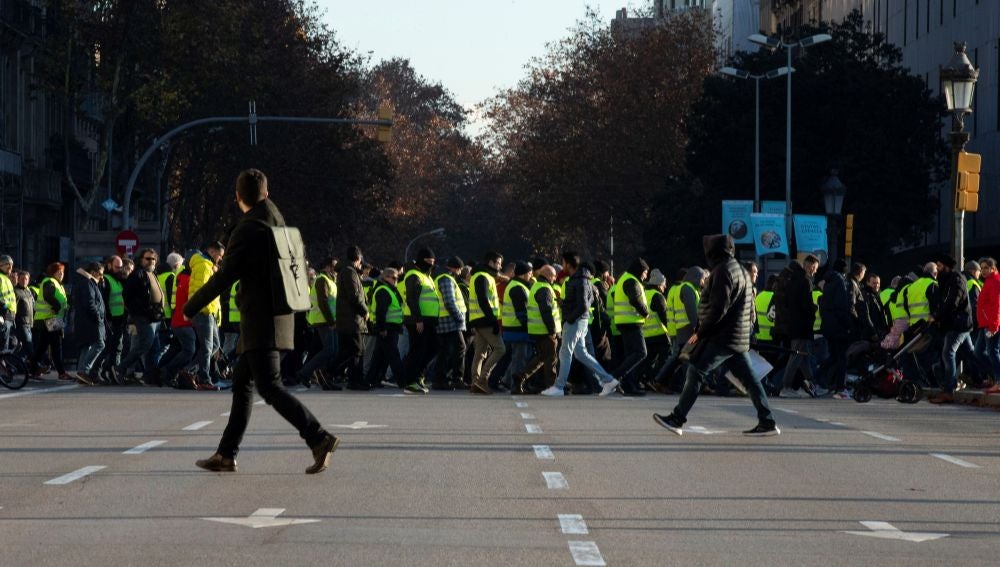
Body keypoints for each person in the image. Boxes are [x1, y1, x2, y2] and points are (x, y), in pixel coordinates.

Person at [186, 168, 338, 474]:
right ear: (266, 194)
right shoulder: (279, 224)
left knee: (269, 387)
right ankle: (226, 453)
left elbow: (225, 277)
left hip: (260, 321)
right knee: (242, 383)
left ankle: (318, 437)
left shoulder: (248, 229)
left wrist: (190, 307)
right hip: (281, 318)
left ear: (238, 197)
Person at [653, 235, 779, 437]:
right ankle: (767, 421)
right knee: (750, 380)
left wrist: (701, 332)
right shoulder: (739, 270)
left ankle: (677, 418)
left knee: (696, 371)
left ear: (714, 252)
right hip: (737, 336)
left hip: (723, 336)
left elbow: (718, 308)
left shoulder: (723, 271)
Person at [540, 253, 618, 397]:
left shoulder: (580, 280)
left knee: (565, 353)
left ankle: (559, 387)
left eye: (563, 262)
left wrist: (569, 318)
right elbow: (582, 302)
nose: (562, 266)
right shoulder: (583, 279)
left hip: (576, 321)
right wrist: (564, 304)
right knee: (582, 354)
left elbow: (583, 305)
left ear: (568, 264)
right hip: (580, 321)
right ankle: (609, 380)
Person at [652, 266, 706, 393]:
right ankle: (688, 386)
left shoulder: (684, 288)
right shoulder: (688, 289)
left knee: (679, 357)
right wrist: (697, 329)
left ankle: (660, 380)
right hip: (688, 329)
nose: (703, 281)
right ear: (696, 277)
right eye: (703, 278)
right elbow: (692, 312)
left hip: (681, 329)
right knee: (686, 358)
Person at [928, 254, 973, 404]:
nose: (937, 269)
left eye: (939, 266)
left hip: (959, 324)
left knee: (948, 353)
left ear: (946, 267)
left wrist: (936, 316)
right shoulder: (945, 280)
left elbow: (952, 302)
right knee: (972, 354)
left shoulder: (956, 279)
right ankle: (989, 376)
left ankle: (949, 391)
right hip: (954, 323)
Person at [772, 256, 819, 398]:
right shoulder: (804, 281)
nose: (814, 272)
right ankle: (785, 386)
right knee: (796, 356)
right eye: (814, 268)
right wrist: (814, 307)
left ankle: (812, 384)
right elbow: (805, 304)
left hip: (793, 324)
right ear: (808, 265)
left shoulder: (791, 280)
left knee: (803, 357)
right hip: (802, 325)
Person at [117, 248, 165, 385]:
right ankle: (121, 367)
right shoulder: (137, 274)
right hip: (144, 316)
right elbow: (127, 296)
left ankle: (150, 376)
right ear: (141, 259)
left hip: (155, 316)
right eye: (147, 258)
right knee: (145, 343)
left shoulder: (152, 273)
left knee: (154, 347)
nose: (151, 261)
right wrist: (140, 311)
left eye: (153, 259)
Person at [514, 265, 561, 394]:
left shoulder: (537, 286)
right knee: (551, 359)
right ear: (548, 275)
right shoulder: (544, 289)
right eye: (554, 275)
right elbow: (546, 311)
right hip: (545, 331)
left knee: (541, 358)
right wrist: (552, 329)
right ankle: (552, 387)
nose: (555, 278)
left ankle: (520, 376)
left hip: (537, 330)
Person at [328, 246, 369, 391]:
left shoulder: (347, 272)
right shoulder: (349, 272)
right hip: (352, 320)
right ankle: (330, 374)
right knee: (356, 350)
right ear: (358, 258)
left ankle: (354, 380)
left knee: (350, 351)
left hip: (348, 319)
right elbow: (355, 296)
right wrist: (364, 310)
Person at [399, 248, 439, 393]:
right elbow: (412, 298)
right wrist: (418, 319)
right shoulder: (414, 275)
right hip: (417, 320)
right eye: (428, 261)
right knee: (417, 350)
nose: (431, 264)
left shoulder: (426, 276)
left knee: (433, 348)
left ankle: (418, 376)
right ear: (421, 260)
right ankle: (410, 382)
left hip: (428, 321)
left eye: (433, 262)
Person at [611, 258, 650, 395]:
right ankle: (615, 377)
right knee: (641, 352)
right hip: (631, 322)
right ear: (639, 271)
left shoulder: (627, 278)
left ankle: (629, 386)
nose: (646, 275)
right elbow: (634, 299)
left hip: (625, 322)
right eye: (645, 272)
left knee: (631, 355)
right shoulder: (631, 280)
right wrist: (645, 313)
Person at [467, 252, 505, 394]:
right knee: (500, 349)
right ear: (491, 262)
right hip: (485, 320)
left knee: (480, 353)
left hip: (479, 319)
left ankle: (476, 383)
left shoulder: (483, 275)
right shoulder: (482, 277)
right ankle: (483, 380)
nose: (500, 266)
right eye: (499, 263)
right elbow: (483, 300)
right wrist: (493, 320)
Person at [189, 241, 225, 388]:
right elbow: (201, 289)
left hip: (209, 312)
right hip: (204, 311)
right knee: (207, 347)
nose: (220, 258)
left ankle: (189, 370)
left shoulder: (208, 266)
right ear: (211, 251)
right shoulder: (203, 265)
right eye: (219, 255)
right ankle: (204, 379)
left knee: (214, 345)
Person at [815, 259, 853, 398]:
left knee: (834, 356)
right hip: (838, 327)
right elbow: (841, 306)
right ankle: (840, 388)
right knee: (841, 357)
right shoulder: (840, 283)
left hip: (828, 326)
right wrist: (848, 323)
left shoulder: (828, 283)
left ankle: (817, 378)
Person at [299, 257, 339, 389]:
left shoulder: (330, 280)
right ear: (327, 267)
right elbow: (323, 302)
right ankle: (305, 373)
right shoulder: (322, 280)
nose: (336, 270)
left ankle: (324, 381)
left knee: (326, 351)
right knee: (329, 350)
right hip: (323, 320)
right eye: (334, 267)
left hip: (324, 320)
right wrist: (331, 321)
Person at [159, 256, 198, 389]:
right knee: (189, 350)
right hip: (182, 321)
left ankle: (167, 372)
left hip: (176, 319)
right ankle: (171, 372)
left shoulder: (180, 277)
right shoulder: (187, 280)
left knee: (178, 349)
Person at [365, 268, 405, 388]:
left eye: (397, 278)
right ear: (385, 278)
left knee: (380, 356)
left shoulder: (389, 290)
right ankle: (403, 381)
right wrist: (382, 329)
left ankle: (370, 380)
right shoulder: (383, 290)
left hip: (390, 327)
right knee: (394, 356)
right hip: (387, 328)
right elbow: (380, 312)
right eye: (393, 278)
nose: (396, 280)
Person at [433, 256, 469, 392]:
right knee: (460, 347)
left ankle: (440, 379)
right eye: (460, 270)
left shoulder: (444, 277)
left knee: (446, 350)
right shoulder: (446, 279)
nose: (460, 273)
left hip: (446, 319)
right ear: (456, 268)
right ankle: (456, 379)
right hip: (449, 320)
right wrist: (459, 317)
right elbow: (449, 301)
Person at [30, 262, 70, 380]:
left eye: (62, 272)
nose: (61, 274)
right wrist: (57, 307)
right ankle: (61, 372)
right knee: (56, 346)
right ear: (53, 272)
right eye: (59, 272)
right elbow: (49, 296)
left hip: (51, 319)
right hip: (49, 319)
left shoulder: (58, 284)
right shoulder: (49, 282)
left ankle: (33, 369)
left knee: (43, 346)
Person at [71, 263, 106, 385]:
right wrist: (98, 316)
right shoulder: (87, 282)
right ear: (94, 272)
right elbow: (89, 303)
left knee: (86, 346)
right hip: (90, 320)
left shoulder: (87, 282)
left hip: (86, 320)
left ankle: (82, 374)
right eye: (101, 274)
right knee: (100, 344)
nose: (102, 277)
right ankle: (83, 371)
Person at [636, 268, 671, 390]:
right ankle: (655, 379)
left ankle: (643, 378)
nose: (665, 286)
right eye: (663, 284)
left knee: (648, 359)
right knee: (667, 357)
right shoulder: (658, 296)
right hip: (659, 333)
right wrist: (671, 331)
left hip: (646, 333)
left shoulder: (645, 293)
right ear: (658, 284)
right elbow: (664, 316)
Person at [502, 261, 533, 394]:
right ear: (524, 273)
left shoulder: (517, 285)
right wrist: (528, 327)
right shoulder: (518, 288)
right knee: (520, 358)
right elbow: (521, 312)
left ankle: (508, 380)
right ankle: (515, 384)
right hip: (517, 328)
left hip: (512, 327)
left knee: (519, 357)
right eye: (530, 272)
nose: (531, 274)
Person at [97, 255, 127, 383]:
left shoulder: (118, 280)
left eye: (121, 267)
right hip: (111, 320)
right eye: (117, 267)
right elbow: (103, 301)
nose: (119, 269)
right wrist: (107, 318)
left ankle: (112, 372)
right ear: (109, 266)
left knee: (117, 348)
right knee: (107, 347)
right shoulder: (106, 280)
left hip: (119, 319)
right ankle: (96, 371)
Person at [976, 258, 1000, 395]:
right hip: (985, 324)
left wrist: (994, 326)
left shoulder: (995, 281)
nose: (983, 270)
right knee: (978, 352)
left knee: (993, 352)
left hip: (992, 324)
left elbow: (997, 306)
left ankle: (998, 381)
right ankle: (995, 378)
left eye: (986, 268)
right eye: (982, 268)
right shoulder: (989, 281)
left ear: (993, 268)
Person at [13, 270, 34, 355]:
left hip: (30, 323)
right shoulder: (16, 291)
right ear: (18, 279)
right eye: (22, 279)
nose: (24, 281)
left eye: (26, 279)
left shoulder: (28, 291)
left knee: (22, 348)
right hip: (21, 323)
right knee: (29, 345)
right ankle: (35, 365)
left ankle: (18, 366)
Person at [0, 255, 16, 348]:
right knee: (3, 346)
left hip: (10, 316)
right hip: (3, 315)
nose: (10, 267)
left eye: (11, 264)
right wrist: (4, 307)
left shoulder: (7, 279)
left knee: (11, 344)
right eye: (7, 264)